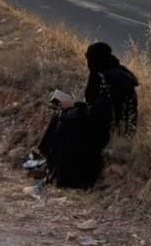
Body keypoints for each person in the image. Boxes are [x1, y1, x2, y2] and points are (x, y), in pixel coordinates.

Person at [26, 42, 139, 189]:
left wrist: (75, 107)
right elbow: (97, 106)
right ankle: (46, 162)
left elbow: (101, 115)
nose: (88, 64)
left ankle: (57, 171)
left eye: (90, 59)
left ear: (97, 59)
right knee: (63, 115)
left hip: (111, 131)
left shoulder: (110, 80)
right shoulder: (111, 72)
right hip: (105, 123)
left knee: (66, 121)